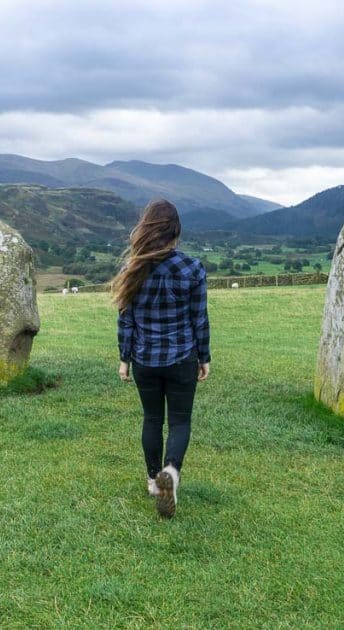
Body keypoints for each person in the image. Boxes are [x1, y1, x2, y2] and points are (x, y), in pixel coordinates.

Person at [113, 199, 210, 518]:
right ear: (176, 232)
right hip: (182, 357)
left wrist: (125, 358)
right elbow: (199, 319)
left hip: (145, 360)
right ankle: (172, 472)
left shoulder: (133, 269)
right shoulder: (192, 268)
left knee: (152, 419)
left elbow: (125, 319)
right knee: (180, 420)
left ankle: (155, 481)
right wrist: (203, 356)